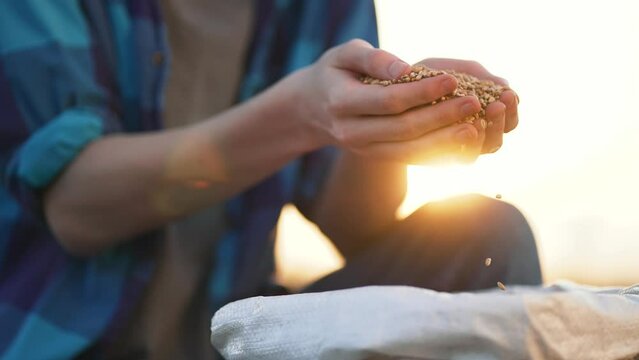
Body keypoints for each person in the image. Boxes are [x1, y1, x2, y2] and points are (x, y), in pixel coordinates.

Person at [0, 0, 541, 359]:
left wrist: (389, 116)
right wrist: (301, 115)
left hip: (235, 342)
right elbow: (76, 207)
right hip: (68, 343)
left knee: (486, 235)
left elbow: (362, 229)